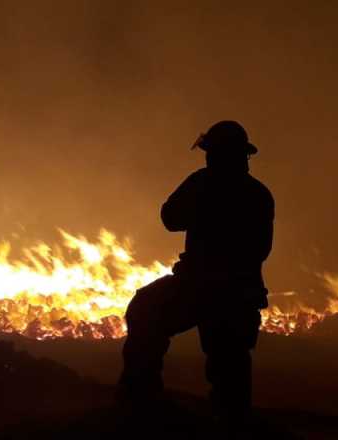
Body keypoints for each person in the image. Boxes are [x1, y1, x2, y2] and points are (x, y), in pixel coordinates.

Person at [117, 120, 274, 420]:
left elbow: (170, 218)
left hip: (202, 287)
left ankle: (140, 405)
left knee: (146, 311)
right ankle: (229, 422)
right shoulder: (258, 194)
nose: (207, 158)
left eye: (211, 152)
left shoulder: (204, 183)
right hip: (238, 292)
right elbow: (261, 249)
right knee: (230, 366)